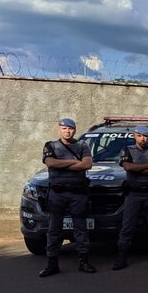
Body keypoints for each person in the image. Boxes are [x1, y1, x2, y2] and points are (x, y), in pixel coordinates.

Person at [40, 118, 95, 277]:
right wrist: (73, 161)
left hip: (78, 194)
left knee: (81, 229)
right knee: (54, 230)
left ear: (75, 130)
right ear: (59, 129)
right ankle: (52, 264)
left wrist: (62, 163)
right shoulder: (50, 146)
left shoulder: (83, 145)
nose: (67, 131)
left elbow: (86, 165)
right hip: (57, 194)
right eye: (64, 128)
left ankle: (84, 262)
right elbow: (51, 163)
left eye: (70, 129)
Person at [113, 125, 148, 270]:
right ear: (134, 136)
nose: (142, 138)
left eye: (145, 136)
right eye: (139, 135)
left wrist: (138, 167)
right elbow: (128, 167)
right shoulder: (127, 150)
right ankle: (121, 259)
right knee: (127, 227)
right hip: (133, 194)